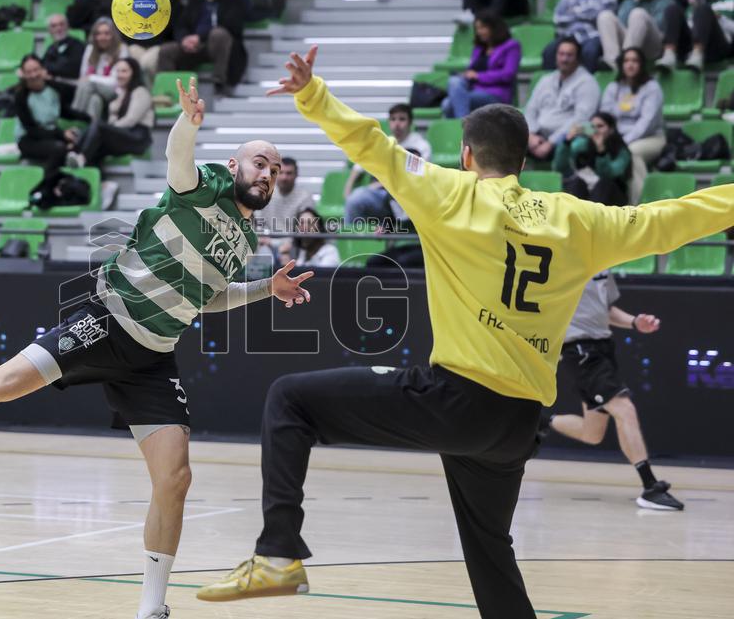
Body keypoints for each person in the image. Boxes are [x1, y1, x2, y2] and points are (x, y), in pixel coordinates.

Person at [196, 45, 733, 616]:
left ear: (467, 154)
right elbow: (669, 218)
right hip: (518, 424)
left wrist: (312, 94)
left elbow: (371, 144)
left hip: (457, 401)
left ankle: (278, 553)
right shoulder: (579, 218)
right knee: (490, 553)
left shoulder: (449, 193)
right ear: (523, 158)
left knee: (290, 400)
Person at [0, 76, 316, 619]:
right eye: (259, 163)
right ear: (235, 165)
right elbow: (179, 160)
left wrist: (266, 288)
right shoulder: (204, 187)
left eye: (274, 169)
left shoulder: (246, 240)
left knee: (175, 479)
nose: (267, 174)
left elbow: (209, 296)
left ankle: (151, 608)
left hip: (153, 357)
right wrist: (187, 123)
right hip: (107, 321)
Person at [538, 272, 683, 510]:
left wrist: (635, 322)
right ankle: (650, 487)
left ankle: (541, 422)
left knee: (592, 433)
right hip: (579, 350)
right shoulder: (562, 265)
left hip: (604, 348)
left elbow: (606, 310)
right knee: (625, 409)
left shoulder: (603, 265)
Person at [157, 0, 248, 97]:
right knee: (166, 50)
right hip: (195, 47)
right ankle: (170, 93)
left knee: (219, 34)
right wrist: (184, 39)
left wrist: (199, 37)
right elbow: (181, 24)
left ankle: (219, 83)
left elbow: (231, 25)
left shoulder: (235, 0)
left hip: (221, 47)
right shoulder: (196, 0)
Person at [344, 102, 430, 226]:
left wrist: (380, 184)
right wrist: (348, 188)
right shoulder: (383, 143)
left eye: (402, 119)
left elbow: (420, 176)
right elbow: (359, 166)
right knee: (354, 200)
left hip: (404, 195)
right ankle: (353, 238)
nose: (397, 124)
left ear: (410, 122)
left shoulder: (420, 145)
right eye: (393, 119)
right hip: (380, 195)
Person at [66, 57, 153, 169]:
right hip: (124, 134)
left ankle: (80, 156)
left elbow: (131, 120)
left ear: (134, 73)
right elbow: (113, 119)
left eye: (124, 71)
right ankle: (83, 164)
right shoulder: (120, 94)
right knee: (97, 144)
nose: (119, 75)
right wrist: (112, 115)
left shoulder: (141, 92)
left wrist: (110, 128)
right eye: (118, 71)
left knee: (99, 126)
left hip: (137, 138)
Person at [596, 0, 688, 71]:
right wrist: (635, 1)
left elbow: (660, 26)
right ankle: (612, 61)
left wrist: (640, 14)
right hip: (630, 41)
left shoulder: (667, 2)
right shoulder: (629, 1)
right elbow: (622, 23)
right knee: (605, 15)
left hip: (654, 46)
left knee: (638, 14)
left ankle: (626, 60)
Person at [525, 37, 600, 161]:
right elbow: (530, 110)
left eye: (569, 55)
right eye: (561, 54)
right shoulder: (546, 80)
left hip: (564, 139)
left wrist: (551, 142)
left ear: (578, 58)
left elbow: (581, 119)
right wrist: (531, 135)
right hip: (537, 136)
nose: (564, 59)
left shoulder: (587, 83)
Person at [14, 55, 85, 185]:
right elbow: (32, 130)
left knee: (80, 141)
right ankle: (45, 185)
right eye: (29, 72)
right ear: (23, 74)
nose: (33, 75)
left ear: (43, 70)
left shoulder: (53, 89)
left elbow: (64, 111)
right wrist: (62, 135)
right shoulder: (20, 96)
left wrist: (88, 118)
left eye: (36, 70)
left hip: (51, 135)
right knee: (59, 148)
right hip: (29, 139)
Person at [542, 0, 618, 73]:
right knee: (548, 52)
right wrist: (587, 13)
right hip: (569, 35)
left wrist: (573, 12)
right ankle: (554, 82)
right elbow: (558, 17)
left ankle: (587, 83)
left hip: (593, 35)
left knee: (590, 52)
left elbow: (601, 14)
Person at [443, 11, 521, 119]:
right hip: (474, 90)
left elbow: (508, 74)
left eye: (483, 27)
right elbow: (471, 69)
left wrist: (478, 76)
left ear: (494, 27)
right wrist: (467, 75)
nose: (479, 32)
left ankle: (463, 124)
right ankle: (464, 123)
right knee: (453, 82)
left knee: (449, 104)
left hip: (495, 93)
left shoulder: (511, 46)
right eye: (477, 28)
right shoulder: (479, 48)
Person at [600, 47, 664, 174]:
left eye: (635, 61)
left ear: (642, 65)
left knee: (631, 151)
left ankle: (639, 187)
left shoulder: (652, 88)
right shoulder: (614, 87)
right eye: (626, 61)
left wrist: (623, 142)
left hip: (650, 137)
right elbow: (605, 117)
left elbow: (646, 122)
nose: (630, 65)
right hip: (618, 137)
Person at [553, 111, 632, 205]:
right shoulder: (582, 144)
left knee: (603, 184)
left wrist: (601, 151)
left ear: (611, 129)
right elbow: (560, 167)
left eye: (600, 126)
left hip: (612, 195)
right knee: (577, 183)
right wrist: (567, 142)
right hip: (586, 191)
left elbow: (609, 174)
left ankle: (592, 214)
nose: (596, 130)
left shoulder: (621, 151)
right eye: (592, 126)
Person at [124, 0, 184, 82]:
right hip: (138, 44)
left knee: (146, 63)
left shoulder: (179, 9)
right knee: (134, 59)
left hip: (160, 46)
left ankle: (152, 90)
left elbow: (176, 33)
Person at [71, 17, 129, 121]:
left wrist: (91, 78)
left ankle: (74, 119)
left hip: (115, 92)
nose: (102, 37)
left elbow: (115, 81)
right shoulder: (90, 49)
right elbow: (83, 76)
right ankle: (91, 129)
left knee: (88, 84)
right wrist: (90, 79)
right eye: (98, 34)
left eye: (107, 33)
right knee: (95, 100)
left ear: (113, 35)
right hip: (93, 90)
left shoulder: (121, 49)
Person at [684, 0, 734, 71]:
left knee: (704, 9)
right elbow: (687, 25)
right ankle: (672, 55)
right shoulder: (697, 2)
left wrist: (720, 19)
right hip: (692, 43)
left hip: (719, 46)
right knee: (672, 9)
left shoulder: (731, 2)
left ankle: (697, 54)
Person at [256, 156, 315, 234]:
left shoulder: (305, 197)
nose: (284, 178)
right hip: (267, 239)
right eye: (281, 173)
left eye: (289, 173)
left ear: (296, 175)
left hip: (293, 239)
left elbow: (308, 229)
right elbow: (257, 223)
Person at [40, 14, 86, 82]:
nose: (58, 28)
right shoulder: (51, 47)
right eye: (54, 26)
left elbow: (71, 69)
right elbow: (43, 65)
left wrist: (49, 70)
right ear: (49, 30)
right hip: (54, 81)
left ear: (68, 26)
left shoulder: (77, 45)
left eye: (61, 24)